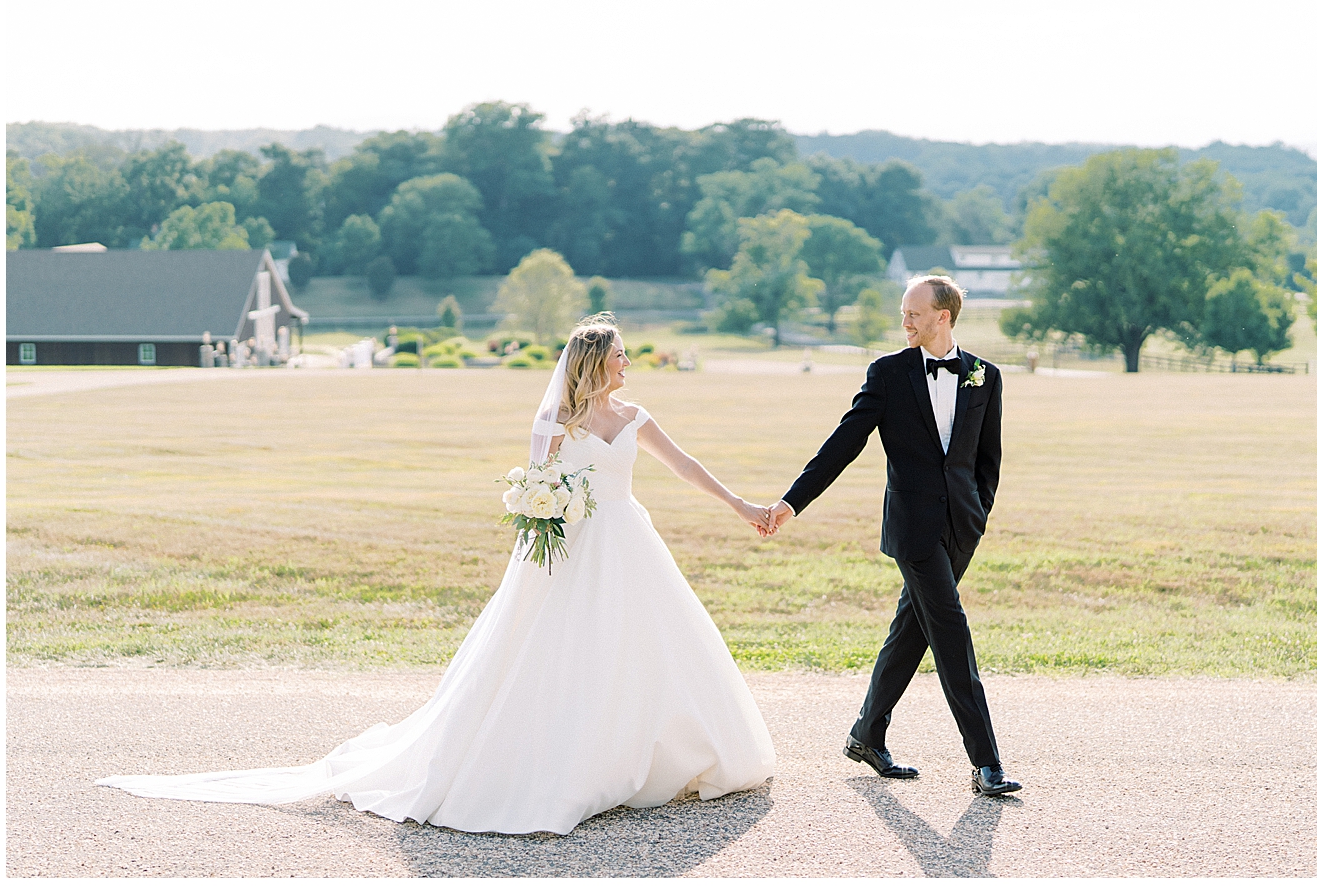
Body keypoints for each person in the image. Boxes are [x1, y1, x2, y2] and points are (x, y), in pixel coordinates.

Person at [99, 315, 777, 835]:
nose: (631, 362)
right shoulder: (554, 419)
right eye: (622, 353)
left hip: (628, 542)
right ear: (598, 361)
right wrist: (544, 510)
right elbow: (536, 486)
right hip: (569, 551)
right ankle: (564, 765)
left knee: (643, 647)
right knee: (558, 652)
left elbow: (685, 465)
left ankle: (652, 752)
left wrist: (742, 505)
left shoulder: (636, 417)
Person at [763, 275, 1021, 796]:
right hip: (914, 531)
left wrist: (978, 515)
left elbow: (987, 461)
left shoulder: (984, 376)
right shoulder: (887, 373)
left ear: (942, 316)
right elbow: (844, 443)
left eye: (913, 313)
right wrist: (792, 502)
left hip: (962, 529)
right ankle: (986, 761)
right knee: (950, 631)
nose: (904, 321)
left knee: (913, 630)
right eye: (903, 312)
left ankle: (866, 733)